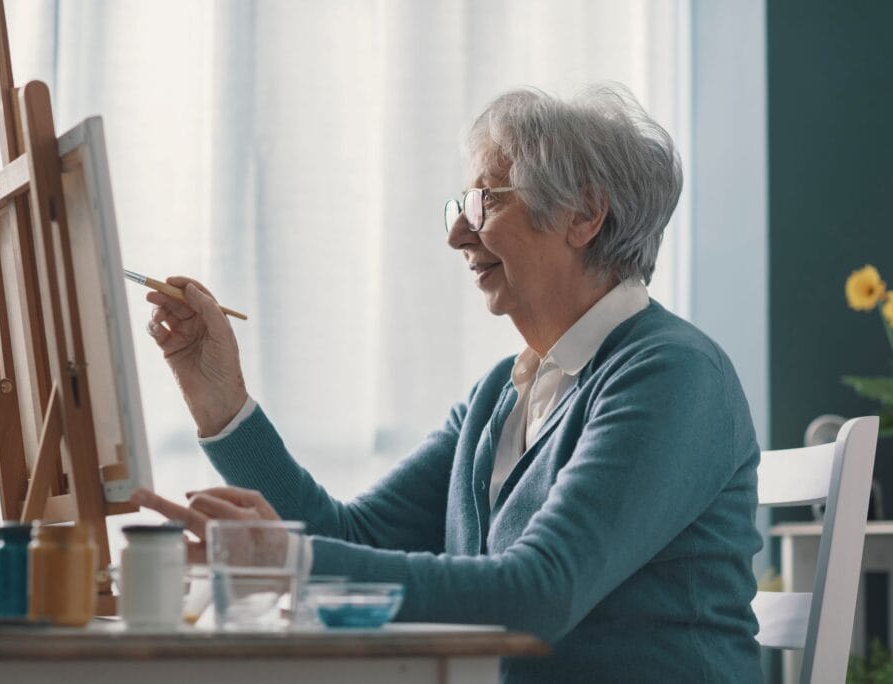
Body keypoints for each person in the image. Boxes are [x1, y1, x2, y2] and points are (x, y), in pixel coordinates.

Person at [132, 84, 763, 683]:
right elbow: (351, 541)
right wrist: (218, 394)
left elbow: (540, 591)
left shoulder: (672, 375)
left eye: (486, 200)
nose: (457, 231)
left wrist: (289, 562)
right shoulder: (501, 394)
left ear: (585, 215)